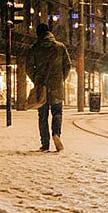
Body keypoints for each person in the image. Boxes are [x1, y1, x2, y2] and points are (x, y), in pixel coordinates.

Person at [26, 23, 72, 152]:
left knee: (42, 115)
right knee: (57, 113)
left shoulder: (35, 48)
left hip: (42, 87)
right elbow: (67, 65)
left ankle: (45, 143)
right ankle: (56, 134)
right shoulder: (60, 47)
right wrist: (61, 79)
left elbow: (29, 67)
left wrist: (36, 79)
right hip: (56, 87)